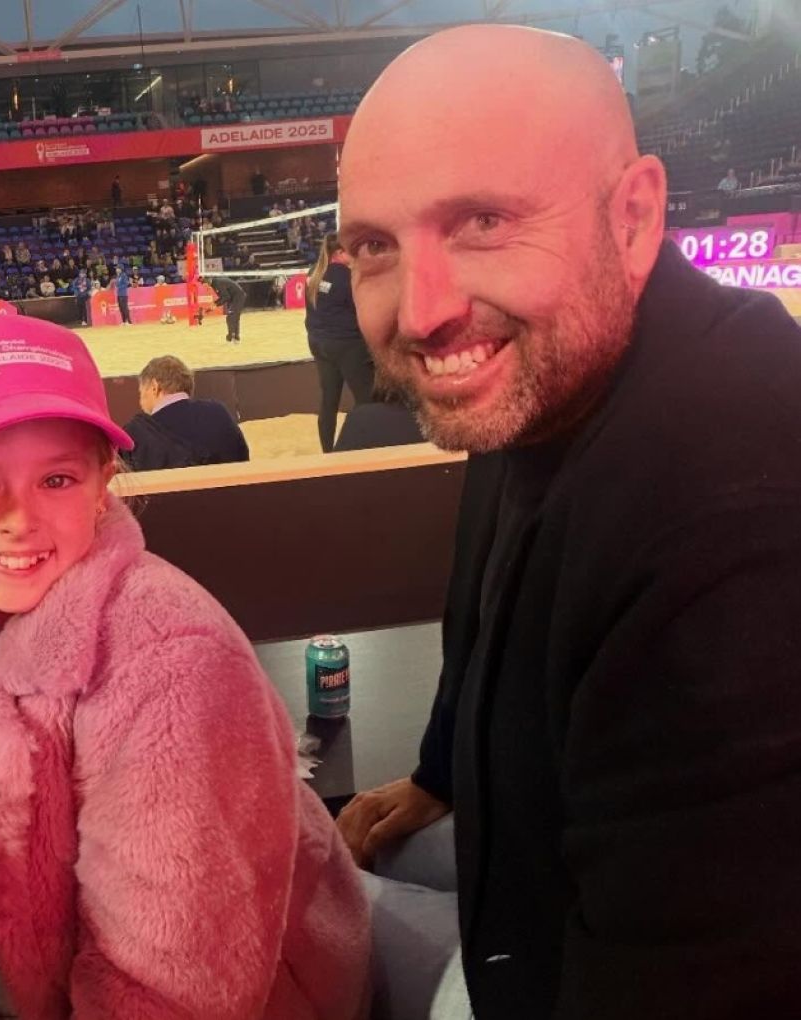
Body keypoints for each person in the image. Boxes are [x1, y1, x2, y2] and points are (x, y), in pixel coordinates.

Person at [335, 24, 801, 1019]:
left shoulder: (735, 538)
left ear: (634, 217)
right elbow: (495, 605)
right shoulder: (554, 380)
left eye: (484, 222)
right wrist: (441, 774)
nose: (421, 313)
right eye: (375, 245)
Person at [0, 316, 370, 1020]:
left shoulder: (175, 665)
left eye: (56, 478)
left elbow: (177, 986)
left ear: (104, 487)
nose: (16, 518)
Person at [304, 236, 374, 453]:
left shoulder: (314, 273)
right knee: (366, 401)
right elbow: (363, 313)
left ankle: (328, 452)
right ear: (340, 253)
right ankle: (366, 446)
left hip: (319, 342)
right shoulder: (348, 277)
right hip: (347, 344)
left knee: (328, 401)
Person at [122, 355, 250, 470]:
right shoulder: (218, 413)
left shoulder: (136, 433)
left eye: (141, 391)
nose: (141, 398)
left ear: (155, 387)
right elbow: (242, 459)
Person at [212, 276, 247, 343]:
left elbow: (226, 297)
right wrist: (215, 303)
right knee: (234, 317)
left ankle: (231, 336)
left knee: (230, 317)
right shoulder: (216, 283)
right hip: (234, 298)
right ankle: (236, 337)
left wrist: (216, 305)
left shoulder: (218, 283)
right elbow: (224, 296)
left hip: (237, 297)